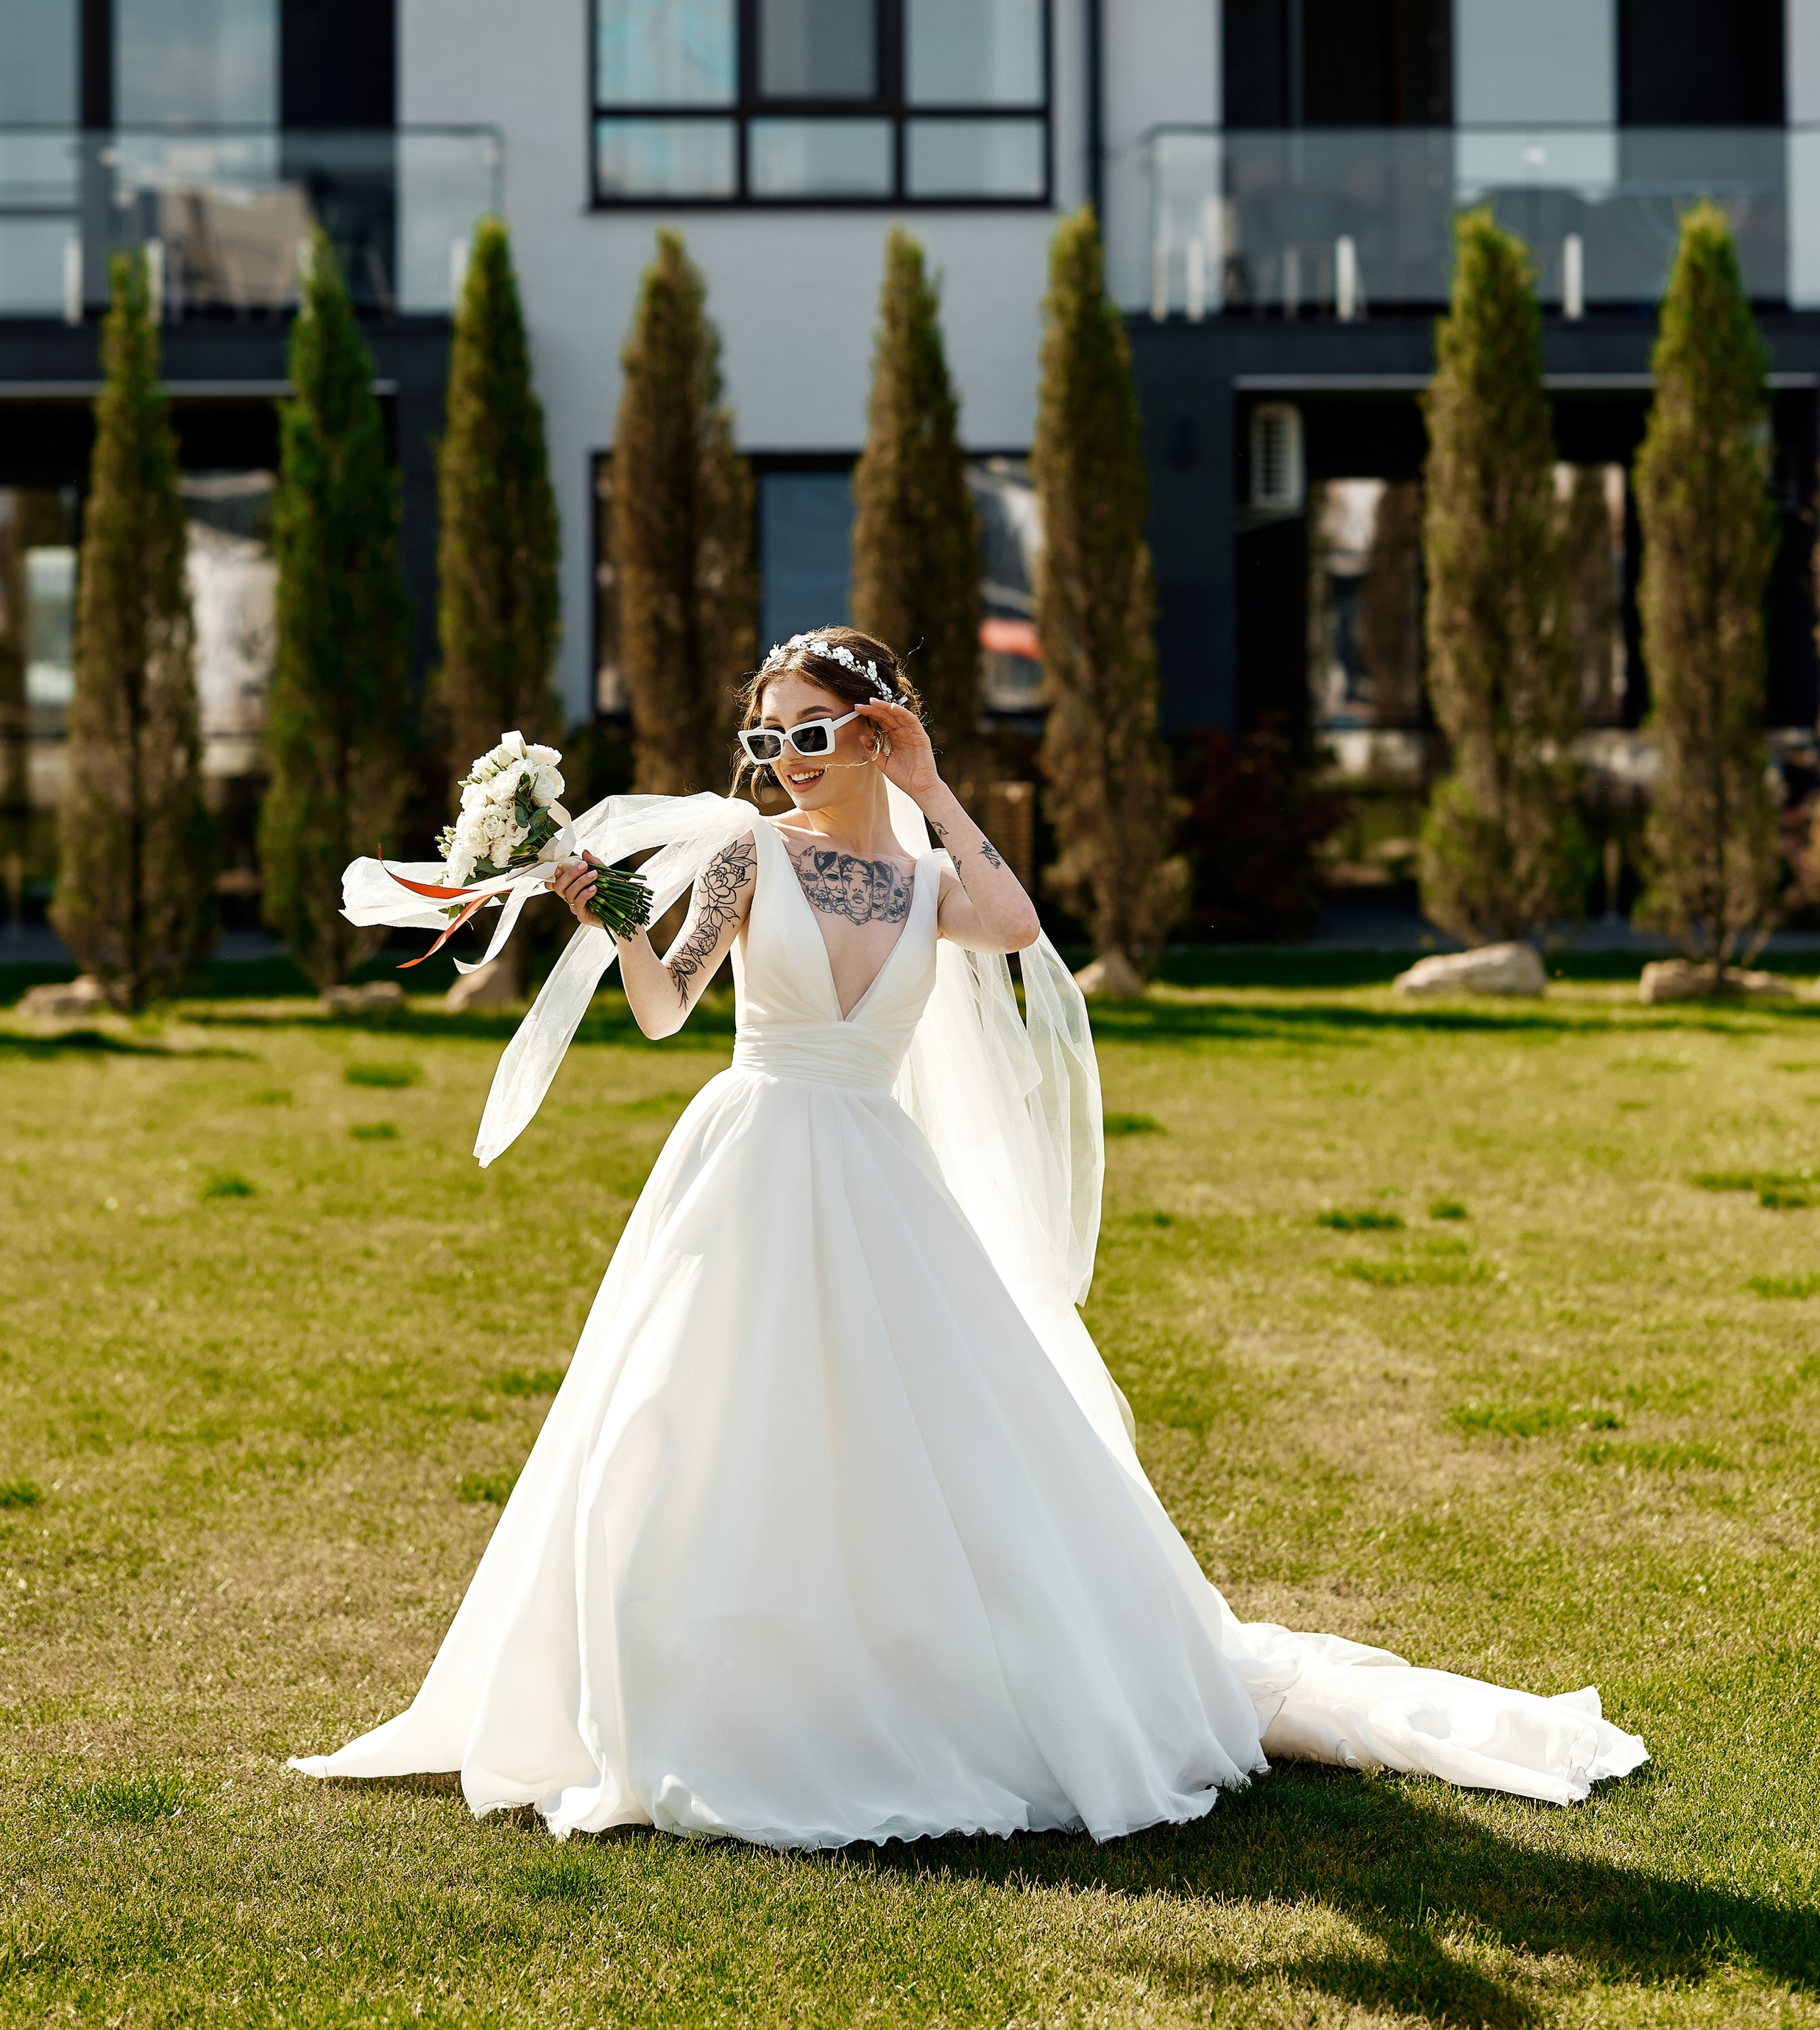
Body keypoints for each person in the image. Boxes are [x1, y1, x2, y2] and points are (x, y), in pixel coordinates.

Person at [291, 625, 1645, 1845]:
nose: (784, 761)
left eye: (809, 734)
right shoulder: (745, 855)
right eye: (765, 739)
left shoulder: (933, 875)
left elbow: (1016, 924)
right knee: (679, 1418)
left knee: (920, 1434)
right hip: (748, 1156)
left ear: (872, 732)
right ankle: (685, 1687)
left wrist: (931, 788)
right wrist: (607, 916)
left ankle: (924, 1681)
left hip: (878, 1174)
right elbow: (663, 1010)